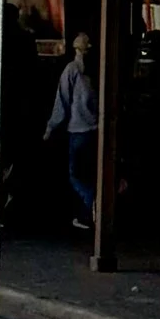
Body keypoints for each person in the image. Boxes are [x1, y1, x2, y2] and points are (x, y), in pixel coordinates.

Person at [47, 28, 99, 235]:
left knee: (75, 175)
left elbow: (62, 101)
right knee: (91, 172)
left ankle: (91, 204)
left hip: (77, 129)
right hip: (95, 128)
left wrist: (51, 127)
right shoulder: (95, 71)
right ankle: (90, 209)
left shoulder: (71, 70)